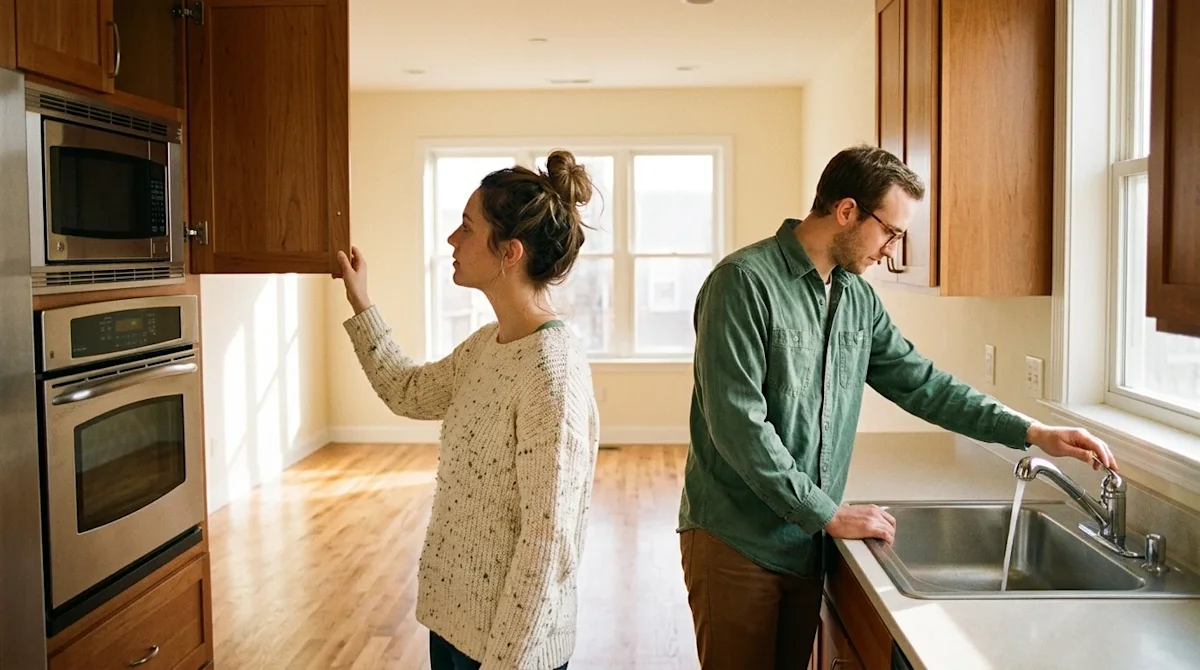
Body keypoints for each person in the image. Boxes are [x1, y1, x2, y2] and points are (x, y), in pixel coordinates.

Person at [677, 144, 1118, 669]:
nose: (891, 249)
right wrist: (827, 512)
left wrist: (1031, 431)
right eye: (890, 231)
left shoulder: (857, 301)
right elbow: (738, 426)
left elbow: (923, 384)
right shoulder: (743, 283)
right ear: (846, 211)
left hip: (804, 541)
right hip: (736, 538)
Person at [336, 150, 601, 670]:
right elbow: (407, 390)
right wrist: (360, 301)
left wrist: (504, 663)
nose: (452, 241)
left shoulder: (553, 373)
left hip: (510, 652)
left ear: (510, 252)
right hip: (454, 627)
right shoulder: (487, 346)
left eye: (466, 227)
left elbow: (547, 544)